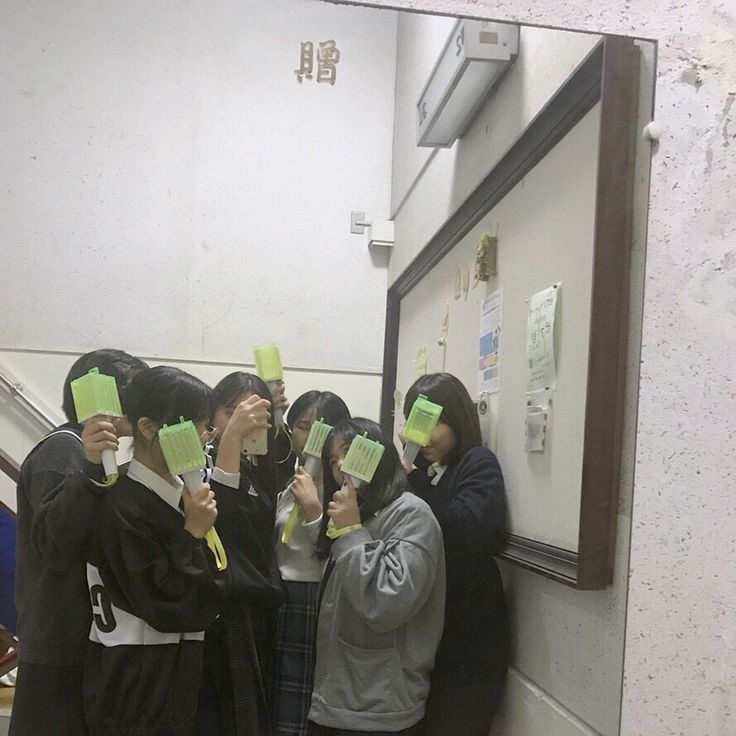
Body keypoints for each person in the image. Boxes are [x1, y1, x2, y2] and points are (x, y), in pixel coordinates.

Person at [10, 349, 147, 736]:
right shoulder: (64, 449)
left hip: (70, 634)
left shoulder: (85, 453)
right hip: (59, 637)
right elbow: (56, 546)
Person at [82, 365, 224, 736]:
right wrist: (191, 533)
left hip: (177, 675)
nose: (204, 436)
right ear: (147, 427)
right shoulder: (120, 504)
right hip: (135, 685)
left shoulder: (184, 494)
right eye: (197, 425)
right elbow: (162, 599)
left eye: (207, 425)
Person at [308, 418, 446, 736]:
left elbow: (388, 602)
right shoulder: (358, 513)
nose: (340, 464)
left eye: (349, 452)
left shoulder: (412, 514)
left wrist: (352, 532)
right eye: (332, 459)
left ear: (378, 455)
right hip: (339, 699)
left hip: (381, 706)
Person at [402, 373, 510, 736]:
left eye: (433, 423)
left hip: (470, 642)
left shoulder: (478, 463)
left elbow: (464, 531)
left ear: (458, 420)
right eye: (414, 423)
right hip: (432, 641)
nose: (422, 435)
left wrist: (412, 478)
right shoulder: (429, 472)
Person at [194, 372, 285, 735]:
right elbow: (221, 516)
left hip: (254, 607)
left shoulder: (256, 465)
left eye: (251, 413)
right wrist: (232, 437)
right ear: (211, 415)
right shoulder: (198, 462)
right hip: (220, 611)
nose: (240, 420)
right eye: (230, 410)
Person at [272, 391, 351, 736]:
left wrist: (315, 510)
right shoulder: (283, 476)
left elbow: (343, 548)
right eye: (304, 426)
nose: (313, 436)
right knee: (280, 698)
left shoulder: (345, 487)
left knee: (310, 701)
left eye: (324, 428)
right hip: (280, 597)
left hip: (318, 597)